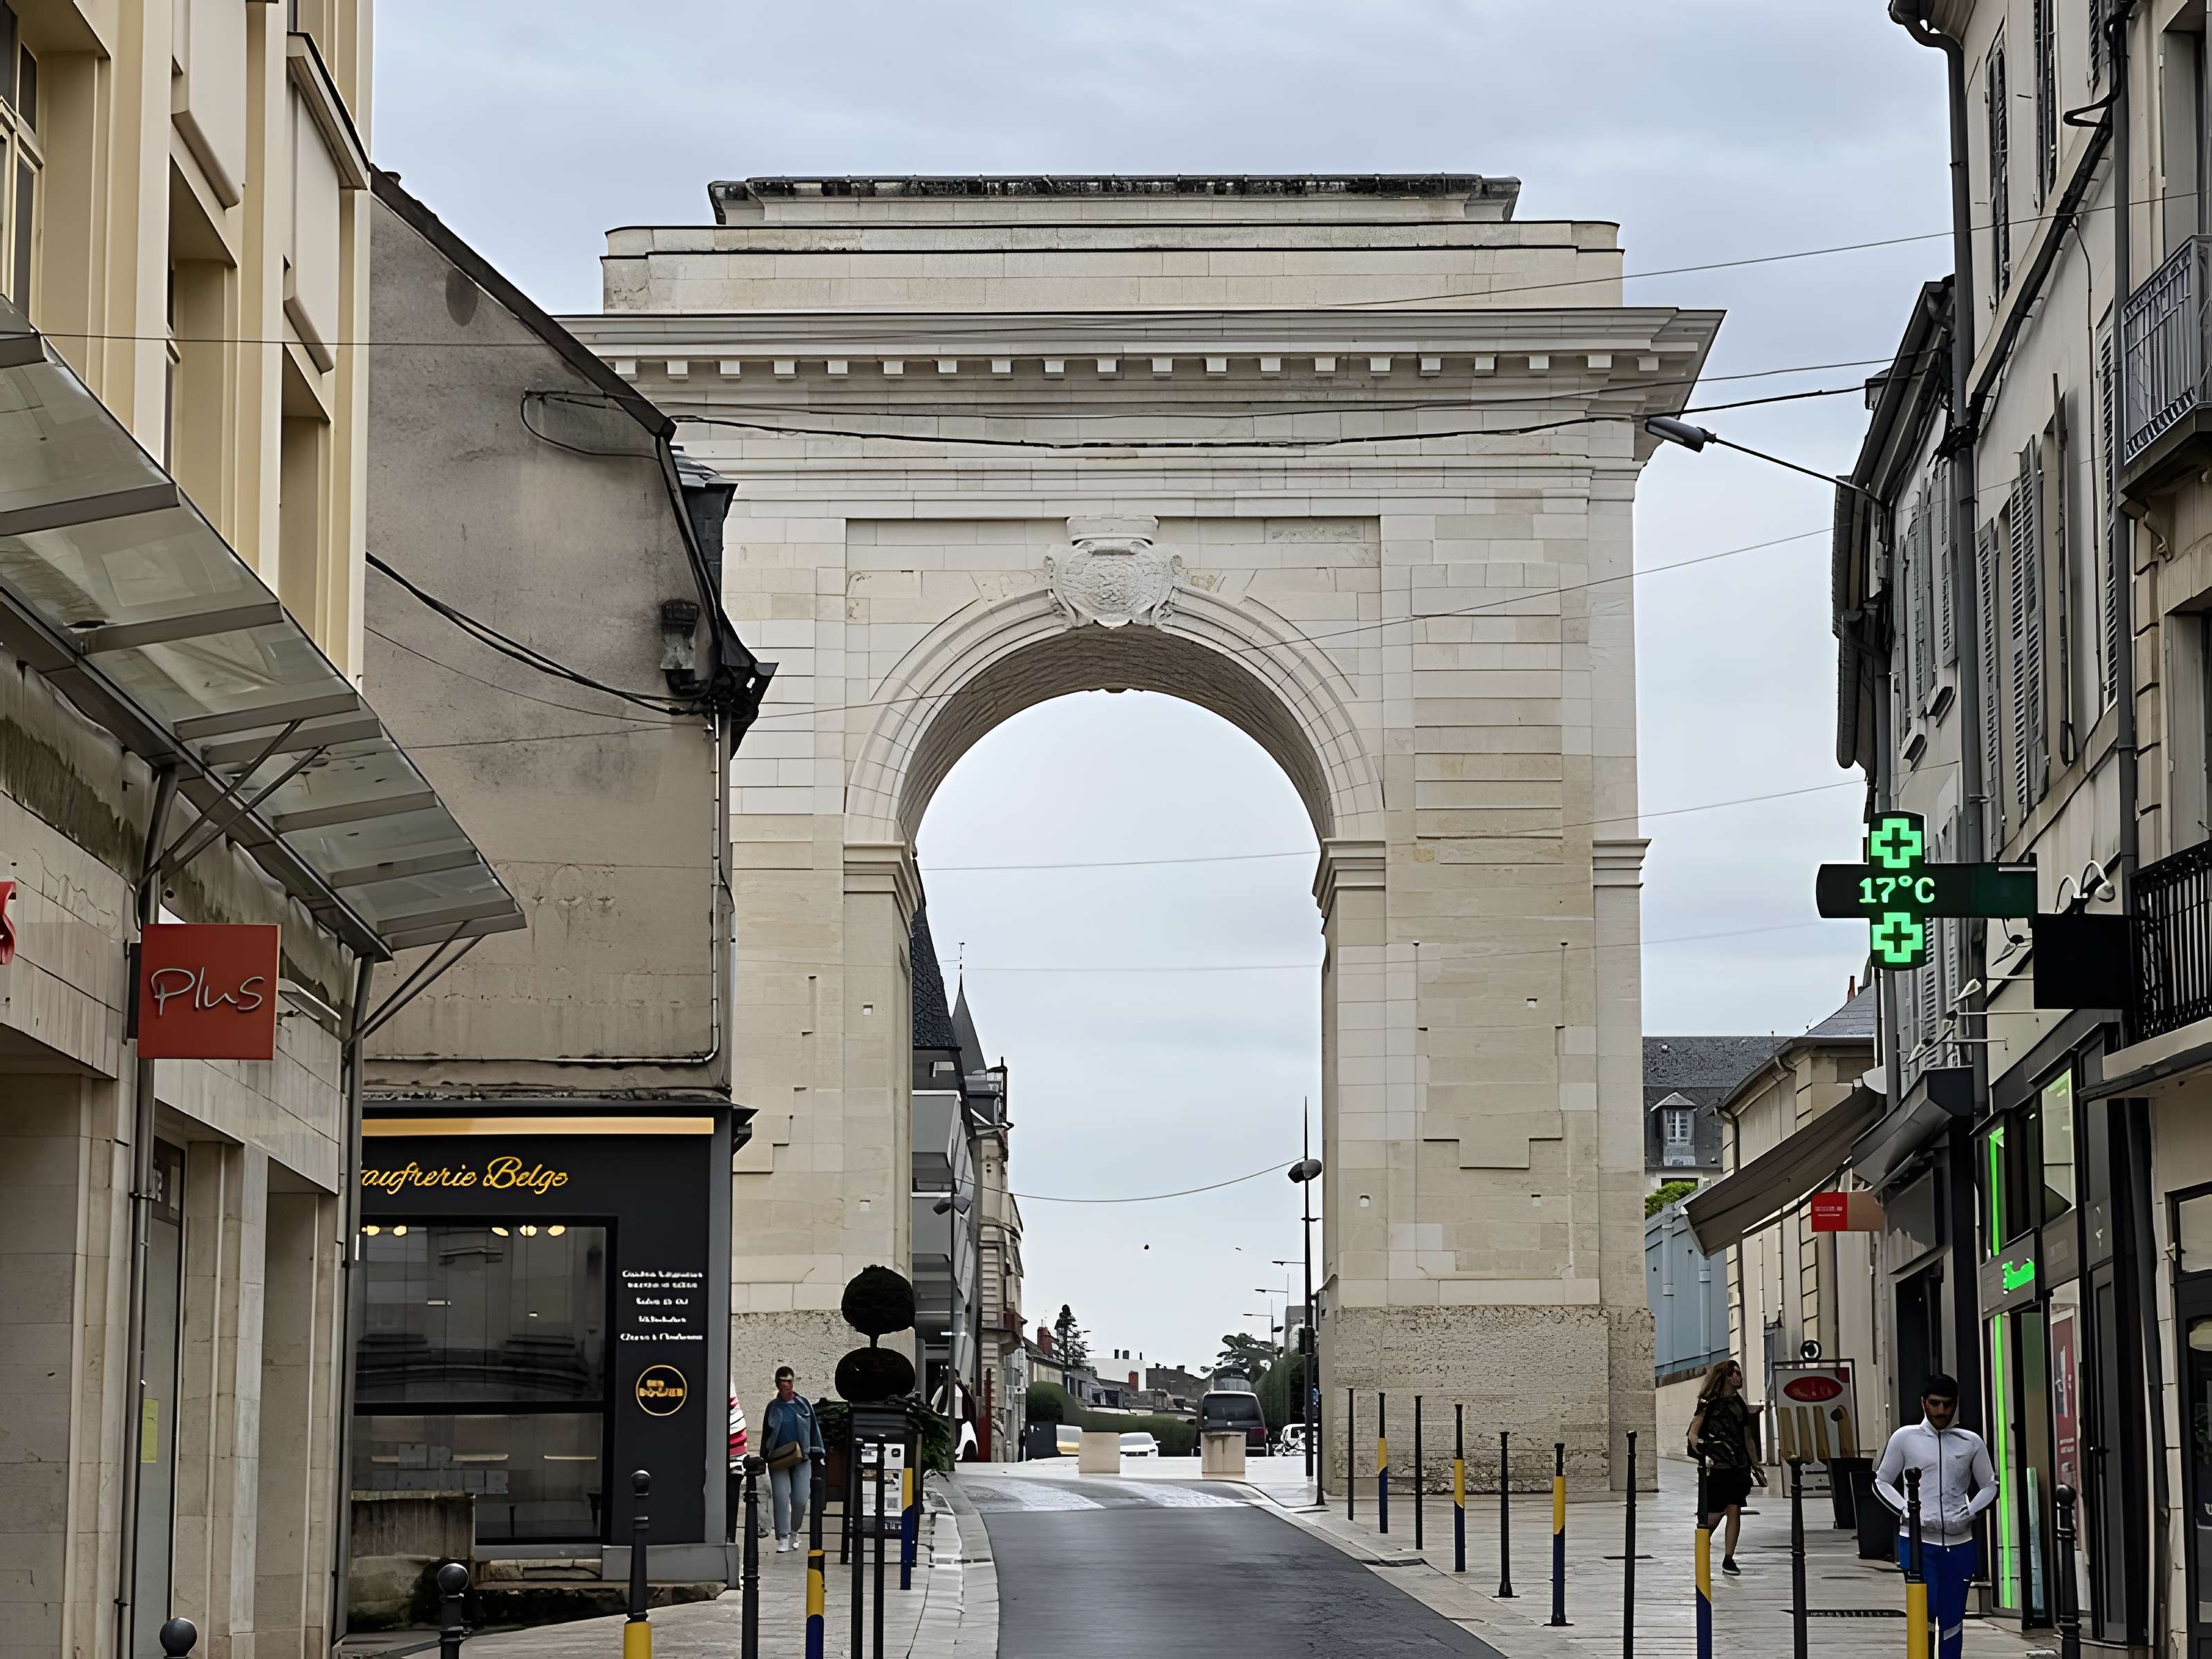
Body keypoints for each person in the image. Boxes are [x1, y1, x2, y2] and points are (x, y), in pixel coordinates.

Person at [1873, 1374, 1995, 1659]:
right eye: (1935, 1403)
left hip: (1960, 1542)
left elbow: (1990, 1485)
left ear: (1956, 1404)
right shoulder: (1905, 1438)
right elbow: (1881, 1481)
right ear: (1923, 1403)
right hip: (1917, 1543)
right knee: (1924, 1612)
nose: (1942, 1411)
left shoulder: (1970, 1442)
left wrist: (1970, 1513)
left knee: (1953, 1617)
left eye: (1948, 1405)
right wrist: (1906, 1510)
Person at [1687, 1358, 1763, 1575]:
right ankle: (1702, 1546)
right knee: (1713, 1515)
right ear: (1726, 1377)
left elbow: (1747, 1437)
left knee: (1734, 1509)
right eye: (1735, 1373)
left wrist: (1756, 1466)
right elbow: (1693, 1433)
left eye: (1739, 1373)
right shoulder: (1708, 1403)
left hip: (1738, 1465)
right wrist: (1705, 1451)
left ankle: (1729, 1559)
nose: (1739, 1377)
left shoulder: (1739, 1404)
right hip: (1717, 1467)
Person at [760, 1365, 826, 1553]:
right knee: (781, 1498)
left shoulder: (803, 1404)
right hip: (779, 1458)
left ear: (793, 1382)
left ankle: (795, 1531)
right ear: (777, 1384)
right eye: (782, 1382)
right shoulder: (773, 1407)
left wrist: (819, 1452)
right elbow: (766, 1433)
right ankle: (783, 1536)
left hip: (802, 1457)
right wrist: (764, 1457)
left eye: (788, 1381)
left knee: (800, 1499)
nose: (786, 1386)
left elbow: (814, 1429)